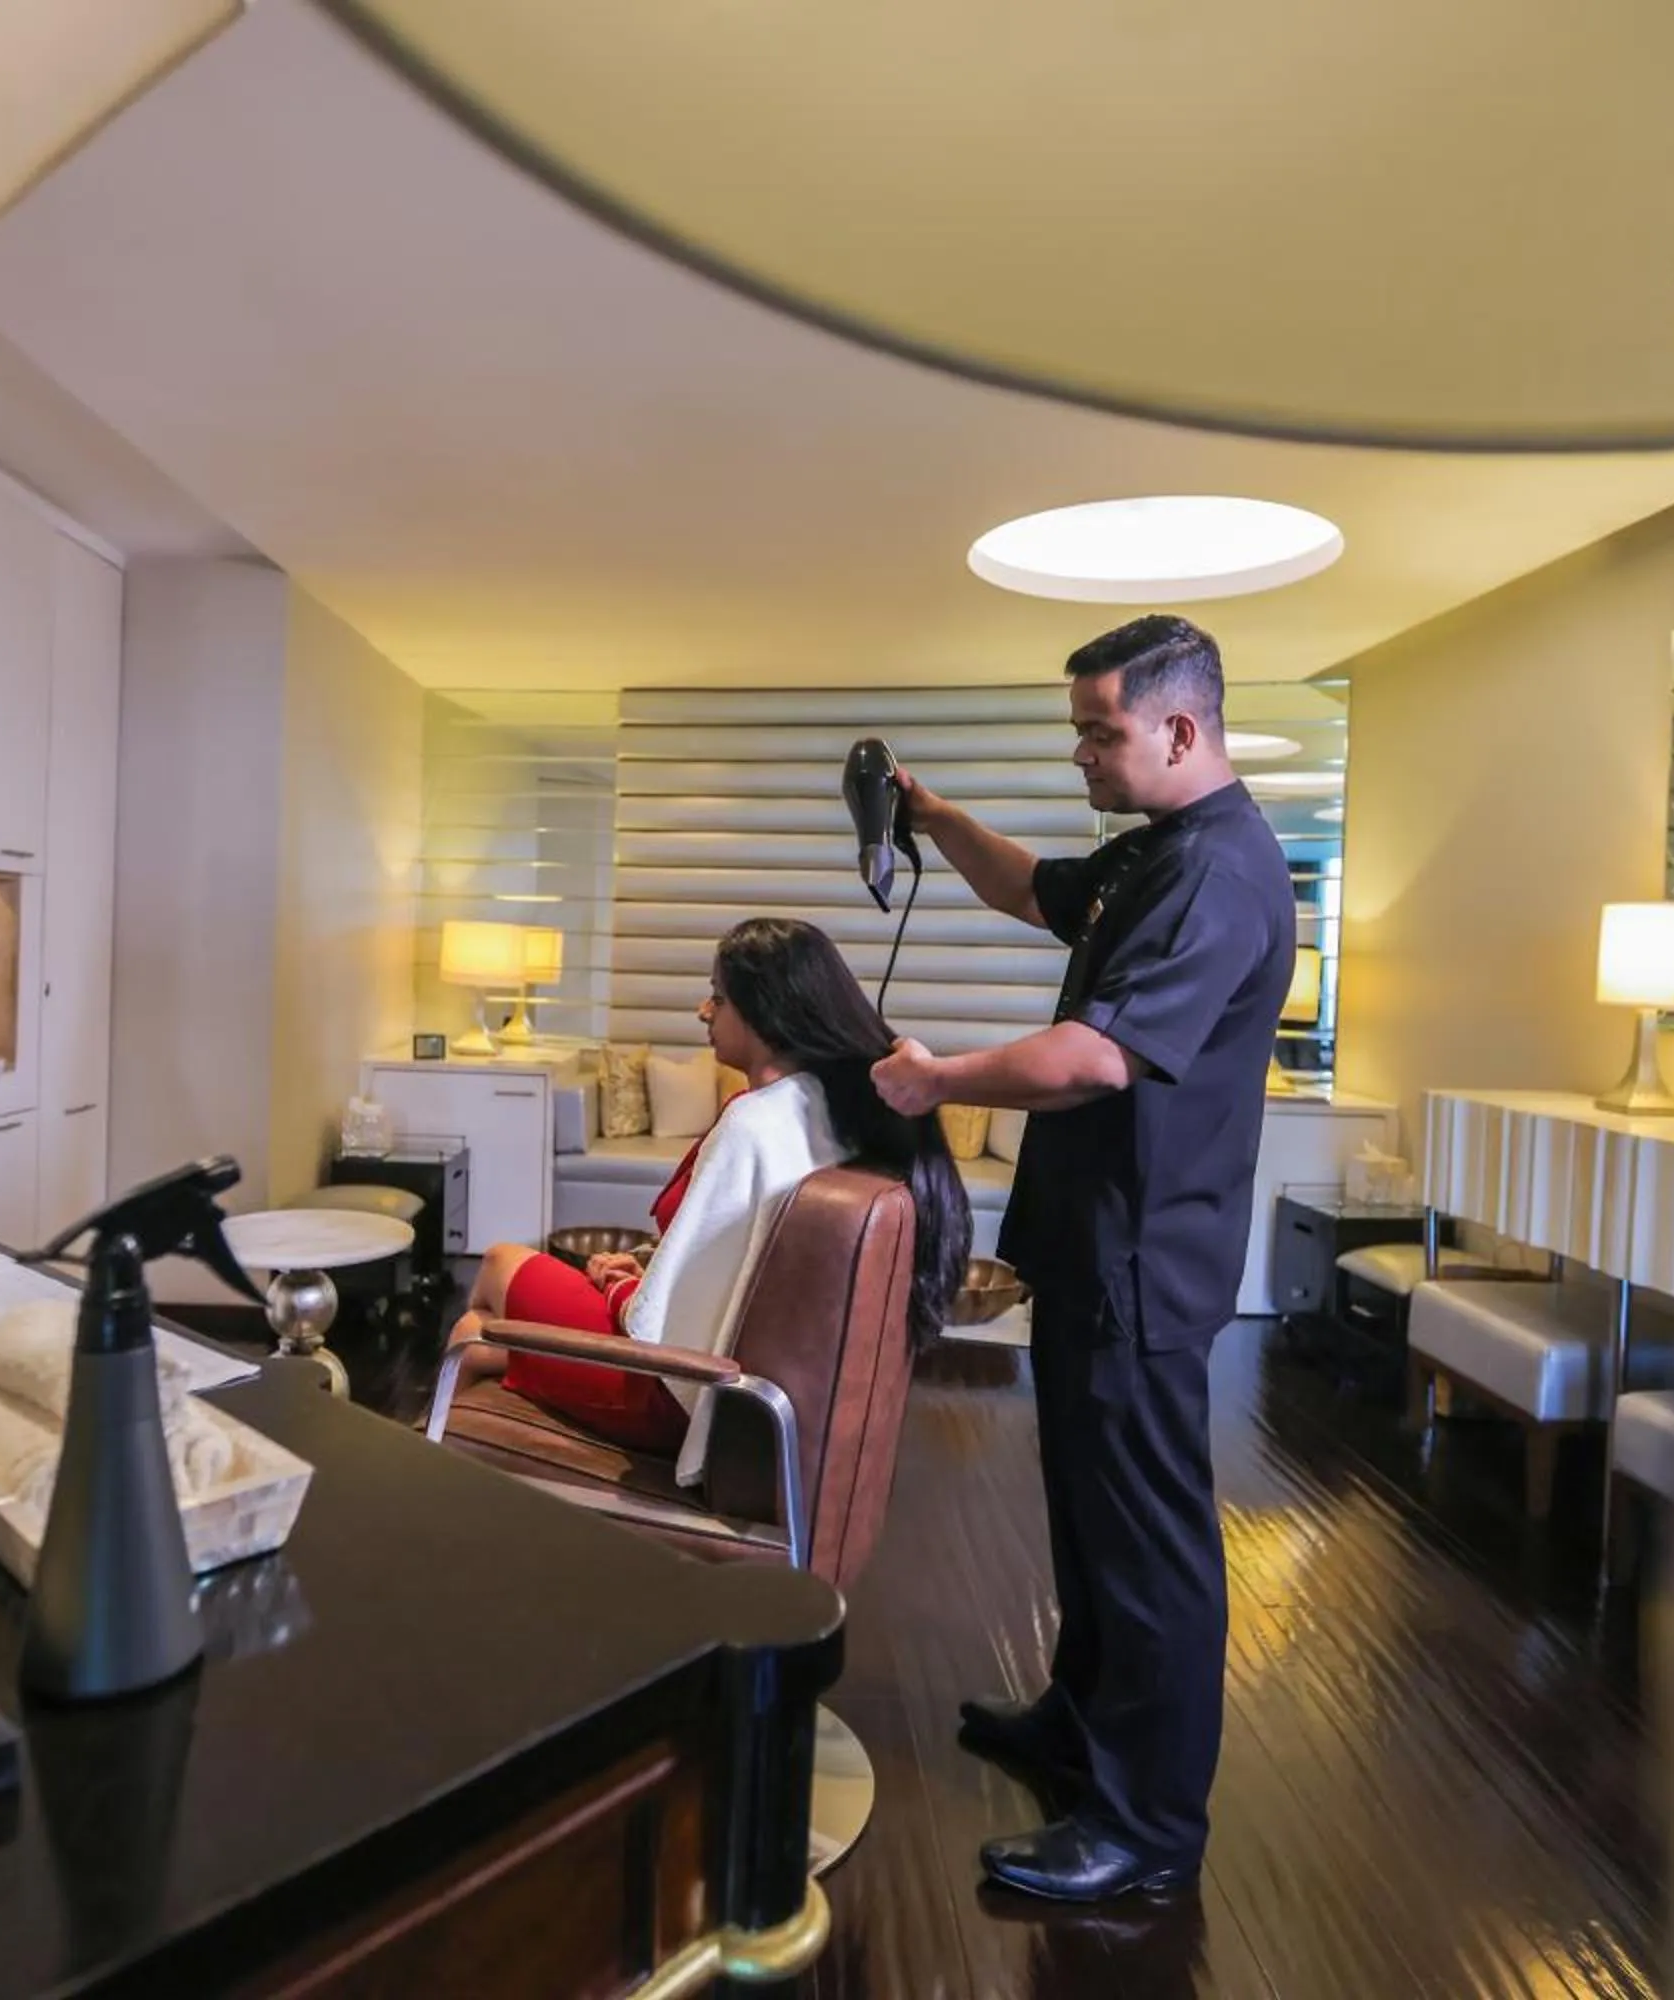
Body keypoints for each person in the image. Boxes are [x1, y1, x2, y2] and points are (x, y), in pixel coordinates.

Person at [873, 614, 1298, 1903]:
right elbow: (1029, 888)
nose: (1081, 755)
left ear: (1180, 727)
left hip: (1145, 1258)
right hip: (1090, 1243)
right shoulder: (1155, 850)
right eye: (1078, 732)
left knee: (1149, 1540)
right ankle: (1080, 1723)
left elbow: (1102, 1056)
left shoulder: (1220, 870)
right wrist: (934, 815)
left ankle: (1148, 1825)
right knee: (1087, 1511)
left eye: (1098, 733)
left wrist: (939, 1077)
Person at [445, 916, 970, 1486]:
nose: (703, 1011)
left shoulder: (753, 1125)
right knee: (478, 1333)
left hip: (671, 1390)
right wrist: (648, 1275)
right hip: (719, 1379)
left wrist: (619, 1286)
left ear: (764, 1011)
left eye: (718, 998)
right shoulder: (823, 1110)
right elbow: (728, 1274)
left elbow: (662, 1327)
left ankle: (434, 1487)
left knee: (495, 1268)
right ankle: (461, 1456)